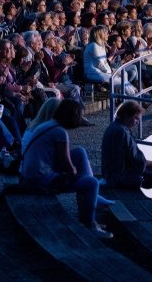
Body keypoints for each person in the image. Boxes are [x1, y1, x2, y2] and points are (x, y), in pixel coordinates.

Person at [20, 99, 113, 239]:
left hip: (32, 172)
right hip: (40, 178)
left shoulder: (47, 125)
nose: (80, 119)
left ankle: (92, 202)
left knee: (80, 152)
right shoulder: (60, 132)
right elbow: (66, 163)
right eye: (79, 116)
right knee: (91, 184)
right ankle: (89, 224)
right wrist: (75, 173)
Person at [101, 101, 152, 212]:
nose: (138, 122)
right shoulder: (122, 132)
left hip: (112, 172)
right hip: (120, 177)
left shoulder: (114, 127)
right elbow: (136, 159)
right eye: (136, 118)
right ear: (127, 115)